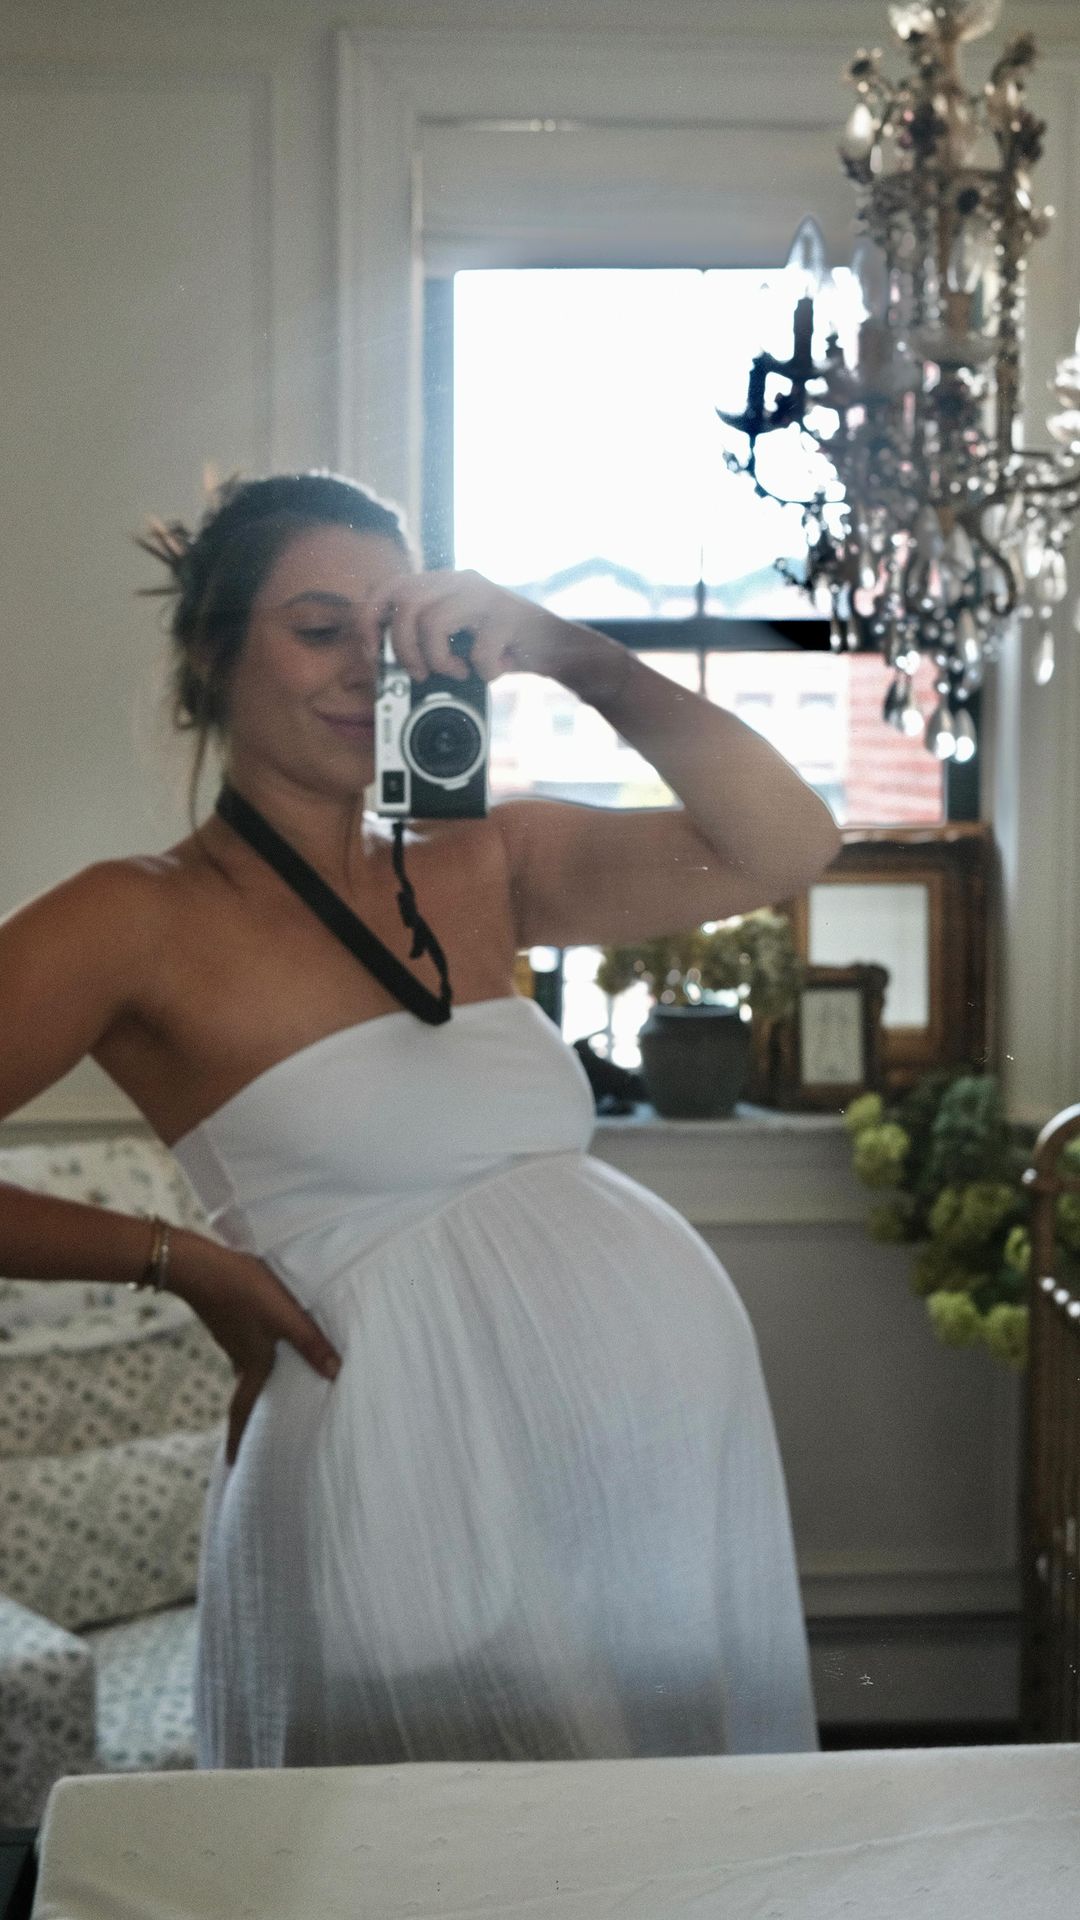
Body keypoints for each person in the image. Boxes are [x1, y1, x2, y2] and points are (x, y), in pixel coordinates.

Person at [0, 471, 840, 1767]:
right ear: (211, 656)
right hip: (397, 1479)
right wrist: (184, 1263)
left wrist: (572, 655)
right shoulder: (136, 917)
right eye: (316, 628)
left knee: (651, 1840)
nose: (362, 668)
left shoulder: (486, 860)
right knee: (426, 1841)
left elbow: (786, 844)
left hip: (633, 1476)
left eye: (389, 628)